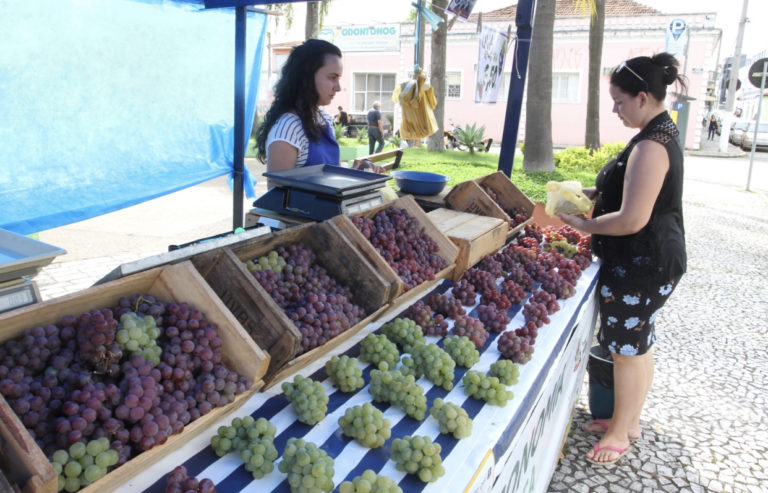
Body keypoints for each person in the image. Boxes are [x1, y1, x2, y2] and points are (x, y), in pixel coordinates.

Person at [557, 52, 687, 466]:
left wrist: (585, 226)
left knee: (626, 350)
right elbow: (631, 192)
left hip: (642, 262)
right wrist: (593, 196)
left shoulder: (652, 144)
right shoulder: (657, 131)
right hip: (651, 258)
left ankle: (619, 435)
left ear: (643, 97)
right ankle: (627, 421)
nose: (614, 110)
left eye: (619, 101)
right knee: (638, 344)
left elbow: (633, 218)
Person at [255, 40, 383, 189]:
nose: (338, 87)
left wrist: (358, 172)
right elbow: (276, 197)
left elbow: (329, 180)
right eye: (332, 77)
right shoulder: (289, 127)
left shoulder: (323, 118)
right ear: (306, 77)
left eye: (339, 78)